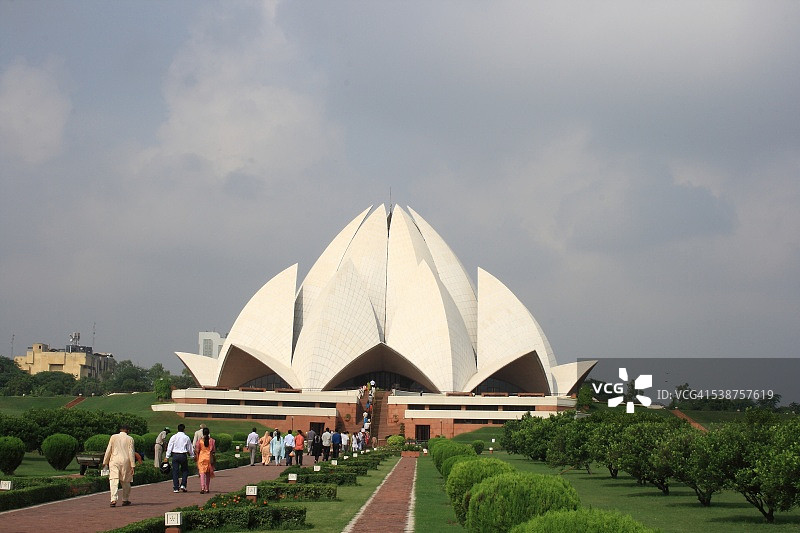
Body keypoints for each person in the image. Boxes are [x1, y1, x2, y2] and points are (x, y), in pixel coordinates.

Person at [102, 423, 136, 508]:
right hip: (125, 461)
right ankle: (125, 499)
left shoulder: (113, 437)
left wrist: (105, 461)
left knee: (113, 479)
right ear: (128, 430)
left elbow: (108, 450)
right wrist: (133, 465)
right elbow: (131, 452)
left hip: (114, 460)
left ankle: (113, 499)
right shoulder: (130, 439)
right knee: (126, 481)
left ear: (120, 429)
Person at [166, 423, 195, 493]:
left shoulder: (174, 437)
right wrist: (192, 455)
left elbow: (170, 447)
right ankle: (183, 484)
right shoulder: (186, 437)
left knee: (175, 471)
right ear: (184, 429)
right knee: (185, 470)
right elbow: (189, 448)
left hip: (175, 455)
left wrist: (167, 456)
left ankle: (176, 487)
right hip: (183, 455)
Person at [194, 427, 216, 494]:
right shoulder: (212, 441)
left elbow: (197, 450)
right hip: (208, 458)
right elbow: (213, 450)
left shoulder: (200, 441)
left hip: (201, 458)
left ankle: (202, 488)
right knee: (208, 474)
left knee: (202, 473)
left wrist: (197, 458)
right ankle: (207, 488)